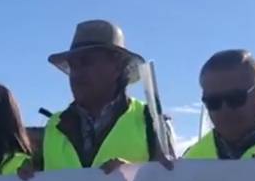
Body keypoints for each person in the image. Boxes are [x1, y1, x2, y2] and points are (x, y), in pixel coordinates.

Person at [43, 20, 170, 171]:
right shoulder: (54, 125)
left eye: (86, 62)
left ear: (118, 66)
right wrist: (26, 178)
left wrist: (135, 176)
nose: (76, 74)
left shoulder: (152, 121)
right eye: (73, 65)